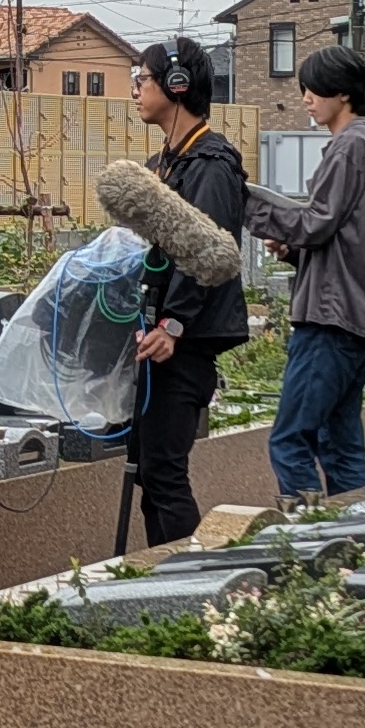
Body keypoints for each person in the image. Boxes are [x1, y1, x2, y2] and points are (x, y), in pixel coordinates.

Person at [244, 43, 365, 505]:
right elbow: (344, 239)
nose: (306, 96)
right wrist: (292, 250)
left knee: (291, 439)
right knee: (339, 442)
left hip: (330, 318)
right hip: (358, 313)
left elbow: (317, 223)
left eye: (313, 88)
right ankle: (357, 538)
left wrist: (249, 205)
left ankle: (307, 542)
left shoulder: (349, 147)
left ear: (343, 94)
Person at [120, 38, 250, 548]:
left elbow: (207, 254)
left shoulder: (212, 165)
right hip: (156, 338)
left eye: (143, 79)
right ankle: (163, 578)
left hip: (185, 344)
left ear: (177, 86)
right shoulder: (166, 163)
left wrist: (173, 322)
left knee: (165, 473)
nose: (135, 90)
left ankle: (186, 582)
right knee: (151, 474)